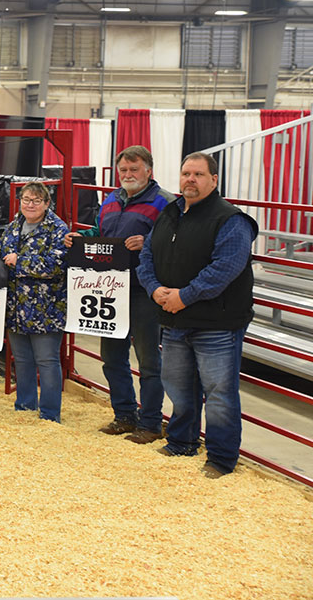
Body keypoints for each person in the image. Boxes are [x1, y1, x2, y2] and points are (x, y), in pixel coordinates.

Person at [138, 152, 258, 478]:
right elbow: (147, 255)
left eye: (198, 174)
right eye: (186, 173)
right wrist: (154, 289)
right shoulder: (170, 213)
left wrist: (183, 297)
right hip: (175, 319)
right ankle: (181, 442)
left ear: (214, 180)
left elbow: (225, 269)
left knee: (219, 393)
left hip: (216, 323)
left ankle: (220, 459)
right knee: (178, 387)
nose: (190, 179)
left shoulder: (231, 220)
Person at [64, 145, 173, 442]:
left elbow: (175, 241)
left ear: (149, 171)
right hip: (109, 289)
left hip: (144, 290)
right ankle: (124, 415)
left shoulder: (165, 202)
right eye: (123, 170)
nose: (127, 174)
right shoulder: (111, 200)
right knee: (111, 356)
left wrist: (148, 241)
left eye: (134, 169)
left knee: (149, 359)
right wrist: (80, 237)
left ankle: (150, 423)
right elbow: (101, 234)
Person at [0, 182, 69, 422]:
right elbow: (2, 250)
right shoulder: (15, 225)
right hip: (16, 307)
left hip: (46, 308)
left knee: (47, 361)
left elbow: (57, 264)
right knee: (22, 361)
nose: (30, 204)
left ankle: (49, 414)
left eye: (36, 200)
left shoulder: (58, 229)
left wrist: (20, 261)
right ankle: (24, 407)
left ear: (47, 203)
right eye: (26, 199)